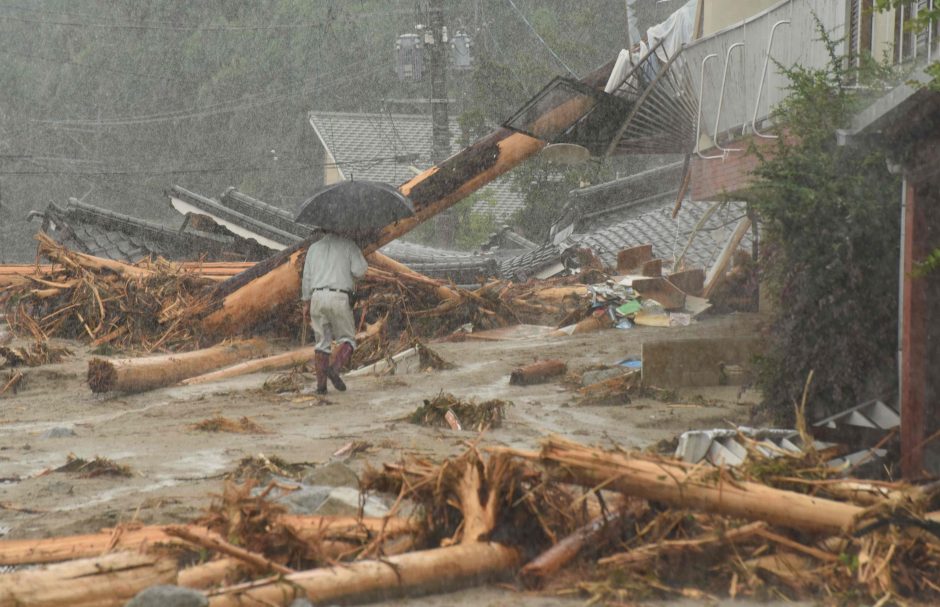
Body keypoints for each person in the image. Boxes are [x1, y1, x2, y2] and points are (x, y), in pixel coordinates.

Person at [301, 231, 368, 394]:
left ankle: (321, 388)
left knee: (321, 343)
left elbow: (307, 278)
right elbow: (360, 271)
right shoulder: (349, 245)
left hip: (317, 297)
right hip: (339, 296)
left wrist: (306, 302)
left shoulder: (313, 248)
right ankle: (335, 368)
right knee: (348, 340)